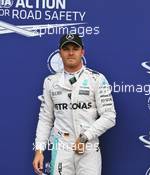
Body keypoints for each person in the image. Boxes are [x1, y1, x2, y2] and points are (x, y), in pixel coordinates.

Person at [32, 34, 116, 175]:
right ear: (60, 53)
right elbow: (46, 118)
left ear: (82, 52)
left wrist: (85, 137)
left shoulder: (96, 79)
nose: (71, 53)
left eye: (75, 48)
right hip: (61, 149)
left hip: (88, 148)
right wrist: (39, 150)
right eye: (66, 49)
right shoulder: (50, 82)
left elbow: (109, 116)